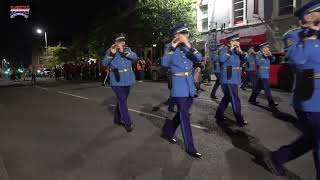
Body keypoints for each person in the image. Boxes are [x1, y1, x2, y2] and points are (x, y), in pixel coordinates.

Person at [265, 1, 320, 179]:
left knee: (311, 139)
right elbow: (298, 60)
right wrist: (310, 37)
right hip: (309, 94)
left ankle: (278, 157)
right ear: (308, 16)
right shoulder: (295, 36)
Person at [160, 22, 203, 158]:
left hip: (190, 86)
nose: (186, 36)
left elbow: (199, 59)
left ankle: (168, 131)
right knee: (184, 115)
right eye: (183, 33)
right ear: (176, 35)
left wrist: (189, 46)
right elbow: (164, 64)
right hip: (178, 86)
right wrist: (172, 48)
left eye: (186, 33)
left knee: (182, 113)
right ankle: (190, 147)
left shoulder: (187, 48)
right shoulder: (169, 47)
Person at [102, 33, 138, 132]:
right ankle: (128, 122)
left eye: (123, 41)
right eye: (120, 41)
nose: (122, 42)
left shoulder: (128, 50)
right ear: (116, 42)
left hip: (128, 79)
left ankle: (117, 119)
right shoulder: (110, 51)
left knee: (122, 100)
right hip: (116, 80)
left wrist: (124, 52)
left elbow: (135, 57)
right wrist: (112, 54)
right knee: (122, 100)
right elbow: (104, 63)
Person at [215, 34, 248, 127]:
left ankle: (218, 114)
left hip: (235, 78)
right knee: (235, 99)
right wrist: (230, 49)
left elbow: (246, 59)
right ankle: (239, 120)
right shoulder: (225, 50)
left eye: (238, 41)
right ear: (230, 43)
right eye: (235, 41)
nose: (237, 43)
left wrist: (240, 51)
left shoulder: (237, 52)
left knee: (227, 98)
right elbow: (221, 59)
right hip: (228, 79)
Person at [248, 42, 278, 108]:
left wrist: (271, 56)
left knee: (257, 88)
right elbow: (258, 63)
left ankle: (252, 99)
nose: (267, 49)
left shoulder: (268, 53)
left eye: (268, 47)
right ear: (262, 48)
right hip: (262, 74)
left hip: (266, 73)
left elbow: (273, 60)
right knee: (267, 89)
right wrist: (264, 56)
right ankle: (271, 103)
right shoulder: (259, 54)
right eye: (266, 47)